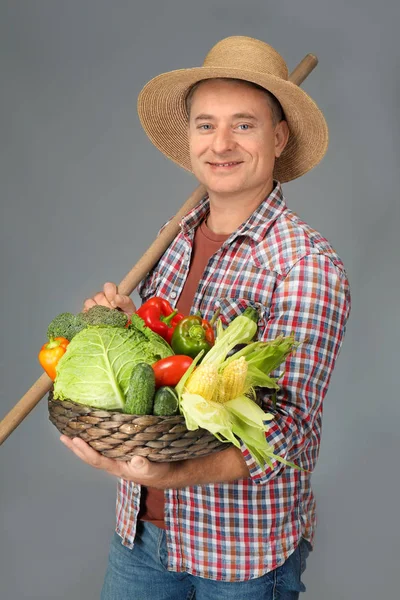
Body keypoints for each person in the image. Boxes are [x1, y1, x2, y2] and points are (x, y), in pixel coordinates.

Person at [60, 36, 351, 599]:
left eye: (244, 125)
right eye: (205, 124)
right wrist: (123, 327)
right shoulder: (174, 239)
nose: (220, 144)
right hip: (139, 537)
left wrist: (169, 476)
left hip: (241, 555)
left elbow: (288, 433)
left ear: (278, 137)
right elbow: (166, 368)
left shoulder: (304, 265)